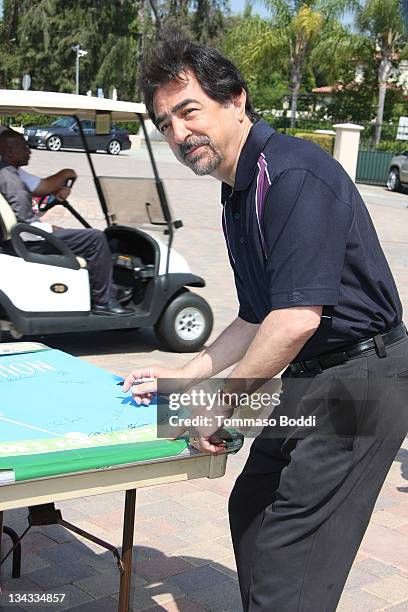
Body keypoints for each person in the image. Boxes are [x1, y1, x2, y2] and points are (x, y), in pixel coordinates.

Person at [122, 35, 408, 611]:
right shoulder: (239, 190)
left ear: (236, 101)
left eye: (189, 111)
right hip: (309, 375)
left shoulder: (292, 175)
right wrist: (182, 376)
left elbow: (297, 319)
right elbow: (258, 316)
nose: (179, 134)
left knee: (290, 555)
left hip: (362, 379)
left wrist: (221, 403)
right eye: (165, 124)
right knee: (251, 503)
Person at [0, 129, 132, 316]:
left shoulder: (8, 173)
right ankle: (103, 301)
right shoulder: (11, 181)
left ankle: (108, 288)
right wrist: (49, 228)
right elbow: (25, 228)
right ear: (9, 151)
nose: (29, 151)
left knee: (80, 236)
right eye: (24, 148)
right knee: (95, 238)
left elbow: (33, 203)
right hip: (29, 242)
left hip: (22, 239)